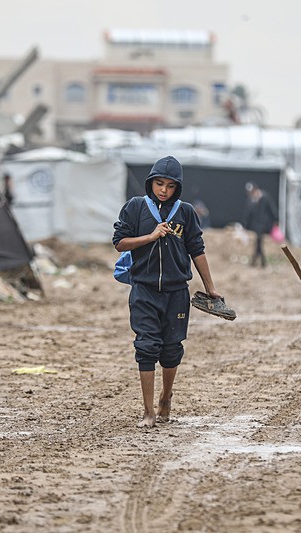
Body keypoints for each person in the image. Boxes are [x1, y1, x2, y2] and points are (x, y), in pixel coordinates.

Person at [112, 155, 224, 428]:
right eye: (159, 184)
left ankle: (166, 397)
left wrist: (211, 288)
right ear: (151, 183)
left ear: (178, 188)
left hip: (177, 292)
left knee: (172, 349)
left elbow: (197, 250)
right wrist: (150, 237)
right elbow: (119, 243)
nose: (163, 190)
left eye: (170, 185)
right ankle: (148, 411)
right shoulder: (136, 208)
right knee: (147, 347)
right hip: (144, 290)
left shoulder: (185, 212)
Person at [243, 182, 278, 267]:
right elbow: (248, 214)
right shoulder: (251, 201)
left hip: (265, 224)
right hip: (257, 225)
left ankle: (258, 261)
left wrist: (275, 220)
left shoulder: (265, 197)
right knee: (258, 241)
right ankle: (260, 261)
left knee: (258, 241)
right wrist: (245, 224)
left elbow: (271, 209)